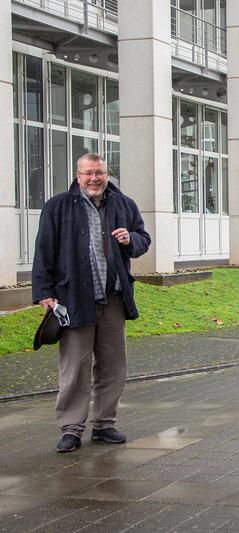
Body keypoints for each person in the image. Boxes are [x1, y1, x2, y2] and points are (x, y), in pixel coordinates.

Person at [32, 153, 151, 452]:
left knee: (113, 366)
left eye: (99, 173)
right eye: (87, 174)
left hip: (113, 299)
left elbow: (143, 238)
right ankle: (71, 428)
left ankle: (104, 424)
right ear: (77, 175)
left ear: (106, 174)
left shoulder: (124, 204)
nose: (94, 179)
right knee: (74, 368)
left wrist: (130, 240)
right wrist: (44, 291)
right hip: (74, 300)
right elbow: (43, 251)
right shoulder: (57, 206)